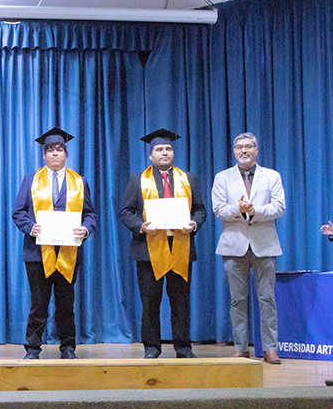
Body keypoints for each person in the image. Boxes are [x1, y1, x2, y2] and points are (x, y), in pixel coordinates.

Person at [119, 129, 206, 359]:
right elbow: (125, 212)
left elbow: (200, 210)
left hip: (181, 247)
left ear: (173, 152)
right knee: (150, 302)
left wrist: (193, 224)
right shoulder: (137, 180)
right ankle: (151, 348)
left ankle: (183, 348)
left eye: (168, 148)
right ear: (151, 155)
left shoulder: (188, 179)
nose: (164, 152)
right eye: (159, 149)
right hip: (148, 250)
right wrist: (141, 226)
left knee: (181, 302)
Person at [12, 127, 96, 360]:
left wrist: (85, 229)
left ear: (66, 154)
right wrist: (30, 227)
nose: (55, 153)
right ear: (44, 155)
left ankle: (68, 347)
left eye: (59, 149)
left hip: (68, 253)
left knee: (66, 304)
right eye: (50, 150)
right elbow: (18, 212)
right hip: (37, 254)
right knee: (38, 304)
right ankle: (33, 348)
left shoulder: (79, 182)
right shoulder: (30, 181)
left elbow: (90, 214)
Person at [212, 132, 286, 364]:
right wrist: (239, 209)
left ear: (256, 150)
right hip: (233, 246)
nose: (243, 150)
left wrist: (255, 211)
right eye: (239, 147)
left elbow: (279, 207)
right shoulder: (222, 177)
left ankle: (270, 349)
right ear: (234, 151)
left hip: (265, 245)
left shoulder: (271, 176)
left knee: (267, 299)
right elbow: (218, 209)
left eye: (248, 146)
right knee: (237, 300)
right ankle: (240, 348)